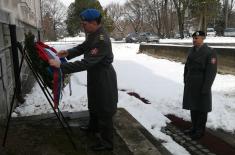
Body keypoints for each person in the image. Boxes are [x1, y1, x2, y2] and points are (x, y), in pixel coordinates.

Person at [49, 8, 118, 151]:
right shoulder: (92, 34)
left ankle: (107, 143)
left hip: (103, 76)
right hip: (95, 73)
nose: (83, 26)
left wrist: (61, 66)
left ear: (93, 22)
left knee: (104, 107)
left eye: (84, 24)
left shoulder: (101, 39)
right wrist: (67, 53)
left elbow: (86, 63)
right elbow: (83, 48)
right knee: (93, 101)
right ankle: (93, 127)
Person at [182, 31, 217, 140]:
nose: (194, 40)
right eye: (193, 38)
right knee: (193, 106)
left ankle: (200, 130)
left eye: (196, 38)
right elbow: (187, 66)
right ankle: (194, 127)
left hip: (202, 83)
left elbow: (211, 72)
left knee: (202, 108)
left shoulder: (210, 52)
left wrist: (206, 87)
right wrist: (185, 79)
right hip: (191, 82)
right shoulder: (191, 50)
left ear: (203, 38)